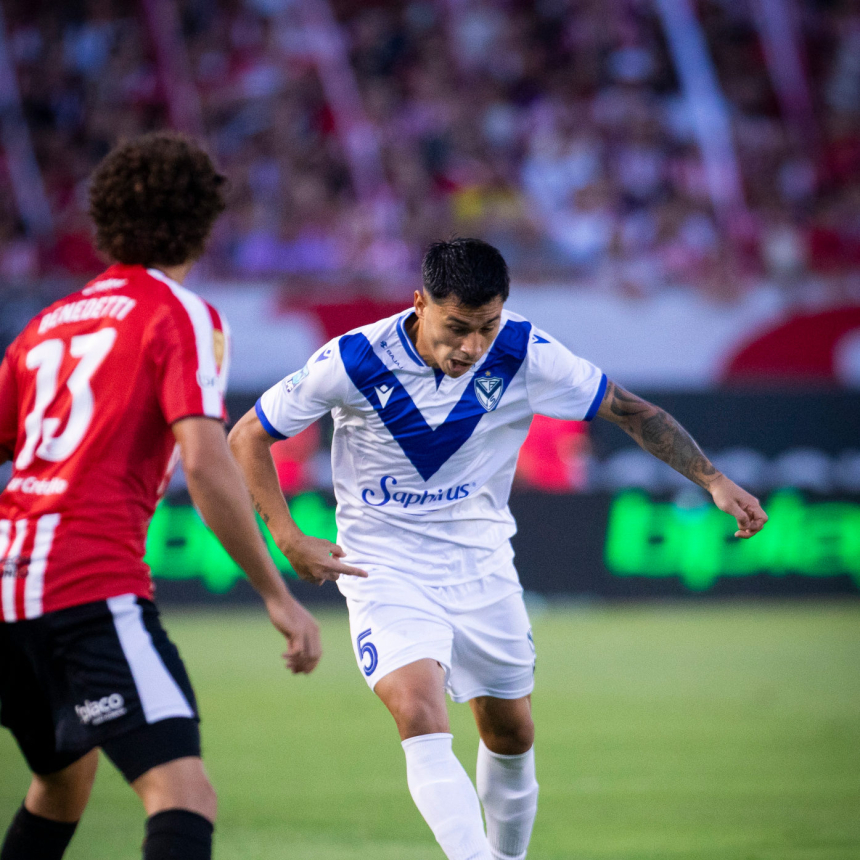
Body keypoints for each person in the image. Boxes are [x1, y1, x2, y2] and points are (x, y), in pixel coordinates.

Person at [228, 237, 768, 860]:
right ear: (420, 304)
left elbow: (630, 410)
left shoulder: (525, 350)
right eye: (457, 328)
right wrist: (288, 537)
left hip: (482, 565)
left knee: (511, 733)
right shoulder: (353, 359)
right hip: (384, 568)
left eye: (486, 326)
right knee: (419, 713)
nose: (472, 346)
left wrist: (713, 480)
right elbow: (247, 435)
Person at [0, 133, 354, 860]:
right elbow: (205, 459)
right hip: (84, 585)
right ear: (201, 223)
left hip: (7, 592)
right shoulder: (178, 313)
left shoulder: (43, 327)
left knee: (62, 783)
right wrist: (276, 591)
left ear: (104, 221)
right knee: (183, 797)